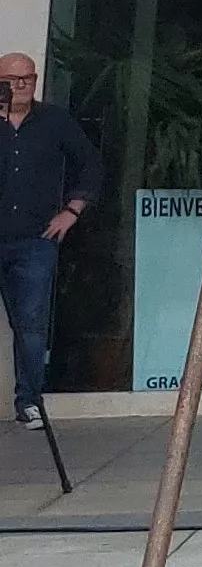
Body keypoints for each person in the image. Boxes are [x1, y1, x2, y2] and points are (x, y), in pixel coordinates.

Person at [0, 53, 98, 428]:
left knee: (31, 322)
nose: (20, 85)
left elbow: (90, 163)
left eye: (27, 78)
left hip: (33, 240)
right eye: (11, 79)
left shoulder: (53, 120)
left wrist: (71, 211)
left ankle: (29, 401)